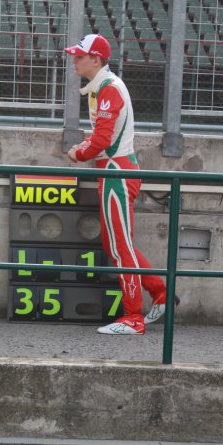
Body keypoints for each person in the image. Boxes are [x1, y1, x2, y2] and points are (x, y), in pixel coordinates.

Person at [64, 33, 178, 335]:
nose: (74, 61)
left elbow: (102, 139)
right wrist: (86, 146)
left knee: (118, 247)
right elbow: (103, 134)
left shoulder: (109, 88)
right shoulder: (104, 86)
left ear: (95, 60)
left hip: (116, 173)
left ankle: (133, 317)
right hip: (115, 171)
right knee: (117, 244)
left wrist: (80, 153)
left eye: (79, 57)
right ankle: (162, 295)